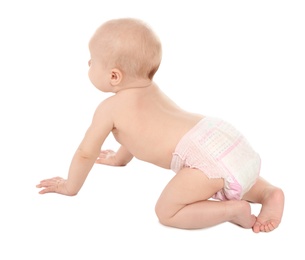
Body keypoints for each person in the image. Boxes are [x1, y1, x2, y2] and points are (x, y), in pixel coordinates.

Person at [36, 18, 284, 233]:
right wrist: (120, 159)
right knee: (231, 171)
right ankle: (268, 193)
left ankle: (232, 211)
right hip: (216, 133)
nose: (88, 64)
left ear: (114, 76)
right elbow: (140, 133)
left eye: (92, 61)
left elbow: (85, 153)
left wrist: (70, 186)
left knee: (166, 211)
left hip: (201, 158)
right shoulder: (151, 90)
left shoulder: (109, 109)